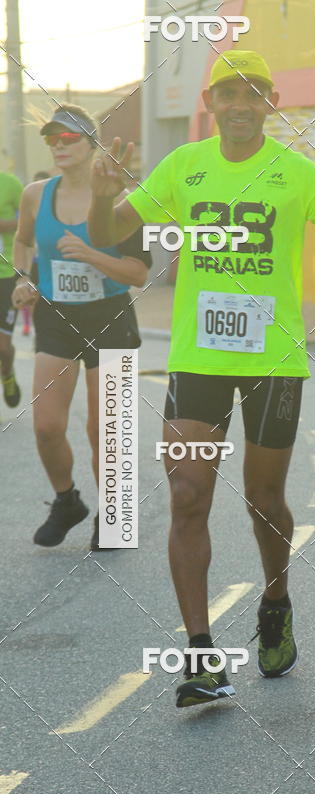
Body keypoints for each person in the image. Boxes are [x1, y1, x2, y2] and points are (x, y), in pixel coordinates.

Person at [88, 50, 315, 707]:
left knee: (263, 502)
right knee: (189, 494)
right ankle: (200, 654)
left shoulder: (298, 173)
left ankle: (275, 601)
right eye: (228, 93)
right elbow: (114, 232)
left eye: (253, 92)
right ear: (210, 104)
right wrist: (105, 198)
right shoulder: (183, 166)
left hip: (274, 361)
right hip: (198, 358)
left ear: (271, 100)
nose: (241, 104)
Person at [12, 105, 151, 551]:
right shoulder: (36, 194)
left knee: (106, 429)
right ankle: (67, 501)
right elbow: (22, 240)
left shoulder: (119, 198)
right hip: (58, 317)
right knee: (46, 425)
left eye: (68, 138)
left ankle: (116, 517)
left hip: (110, 318)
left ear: (91, 143)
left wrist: (92, 255)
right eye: (52, 138)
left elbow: (137, 273)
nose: (58, 145)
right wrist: (24, 279)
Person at [0, 169, 24, 406]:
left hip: (5, 276)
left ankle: (7, 374)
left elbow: (28, 220)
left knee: (3, 348)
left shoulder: (10, 183)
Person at [20, 171, 51, 337]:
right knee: (32, 297)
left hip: (50, 261)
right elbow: (24, 240)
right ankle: (31, 326)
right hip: (36, 261)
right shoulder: (29, 207)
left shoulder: (58, 205)